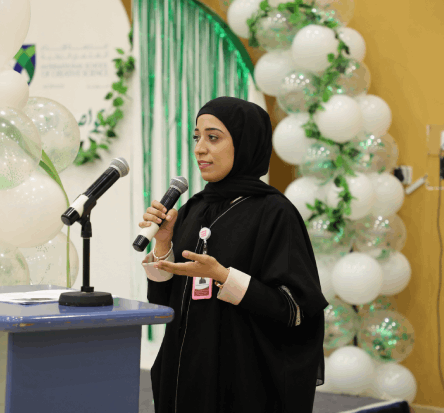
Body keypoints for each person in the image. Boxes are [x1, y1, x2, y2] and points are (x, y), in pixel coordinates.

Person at [139, 97, 328, 413]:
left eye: (213, 137)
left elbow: (296, 309)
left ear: (245, 143)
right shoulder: (192, 208)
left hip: (243, 380)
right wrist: (163, 243)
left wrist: (224, 278)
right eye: (197, 137)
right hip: (184, 372)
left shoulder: (275, 213)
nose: (200, 148)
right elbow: (164, 303)